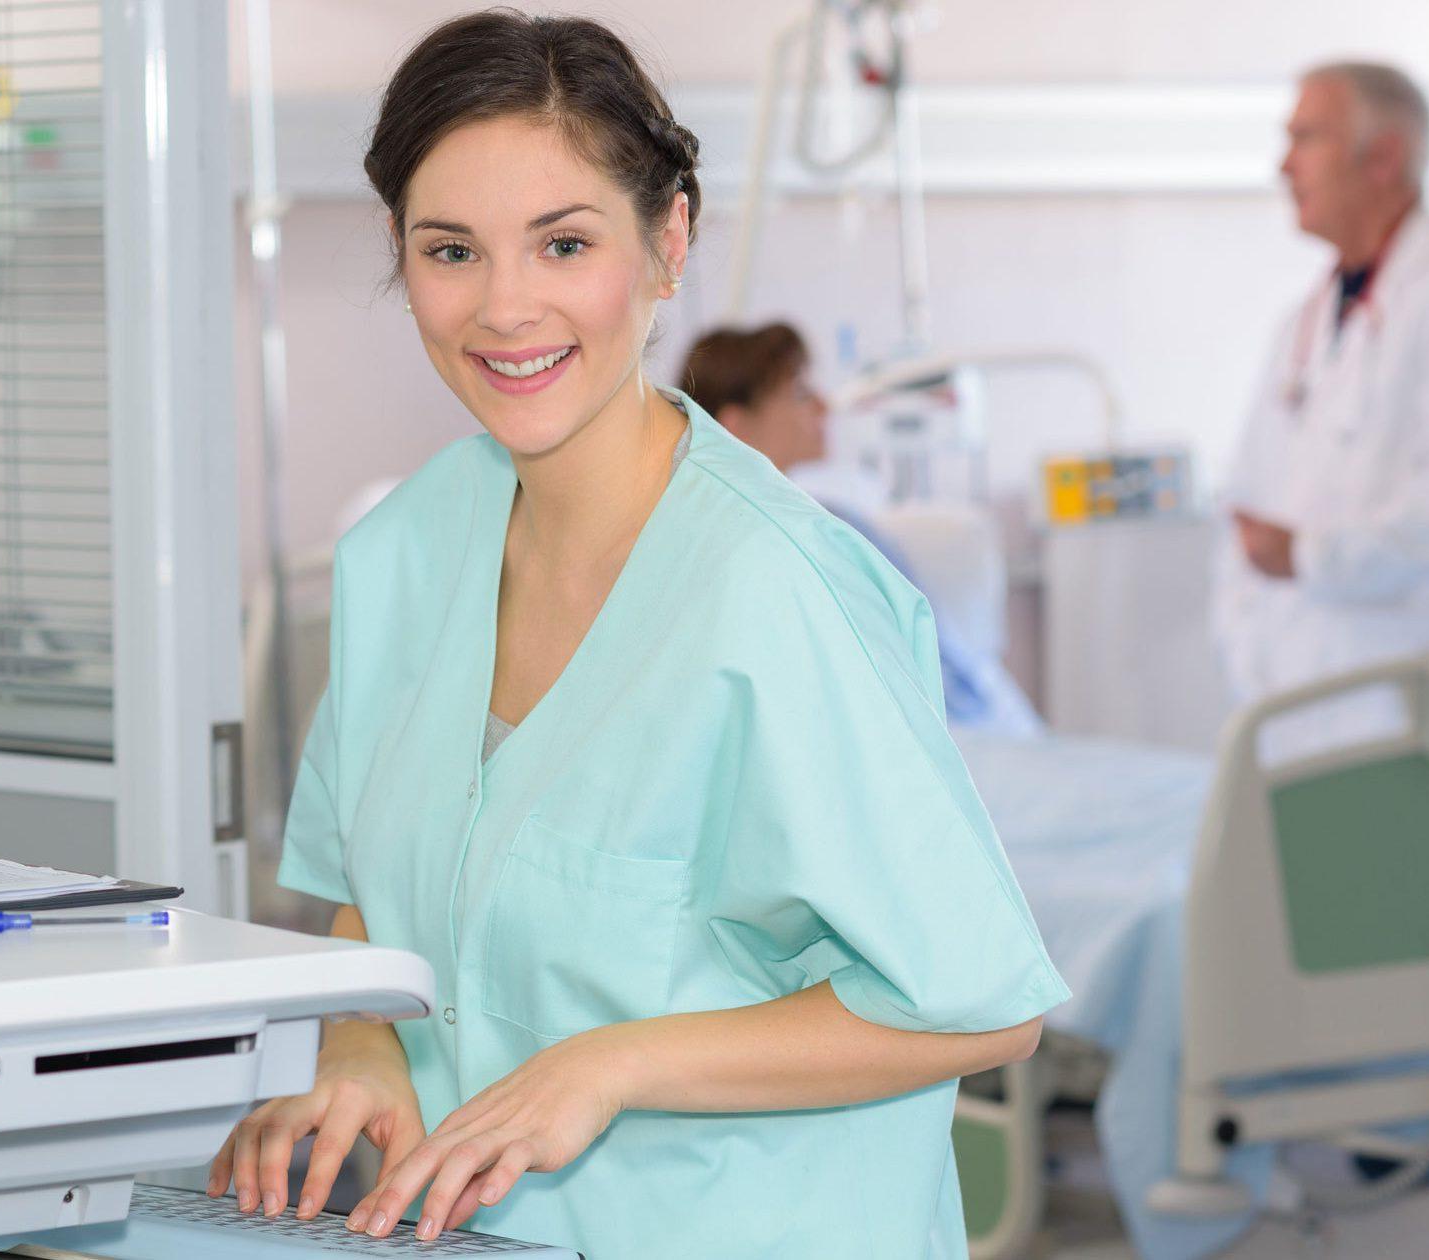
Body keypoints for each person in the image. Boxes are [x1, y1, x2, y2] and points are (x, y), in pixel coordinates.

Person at [209, 12, 1068, 1257]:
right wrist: (362, 1050)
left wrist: (606, 1067)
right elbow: (369, 902)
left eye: (564, 243)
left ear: (667, 243)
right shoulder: (401, 555)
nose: (505, 308)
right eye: (451, 250)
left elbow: (979, 1008)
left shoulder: (773, 593)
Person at [1215, 62, 1429, 752]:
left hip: (1402, 709)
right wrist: (1246, 648)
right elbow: (1243, 510)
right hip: (1288, 704)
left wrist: (1311, 557)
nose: (1283, 166)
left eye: (1306, 138)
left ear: (1383, 157)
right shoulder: (1303, 324)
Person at [683, 323, 1044, 736]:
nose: (823, 406)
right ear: (736, 426)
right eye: (800, 392)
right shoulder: (803, 535)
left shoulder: (828, 522)